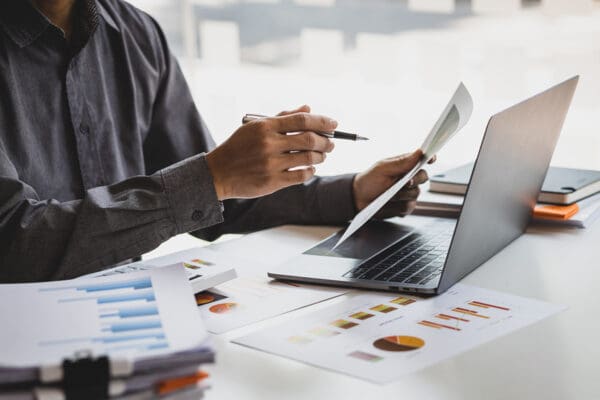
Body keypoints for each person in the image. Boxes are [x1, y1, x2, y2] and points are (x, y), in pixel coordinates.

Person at [0, 0, 430, 283]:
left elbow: (211, 203)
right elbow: (14, 243)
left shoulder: (135, 34)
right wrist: (213, 176)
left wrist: (354, 194)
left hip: (126, 317)